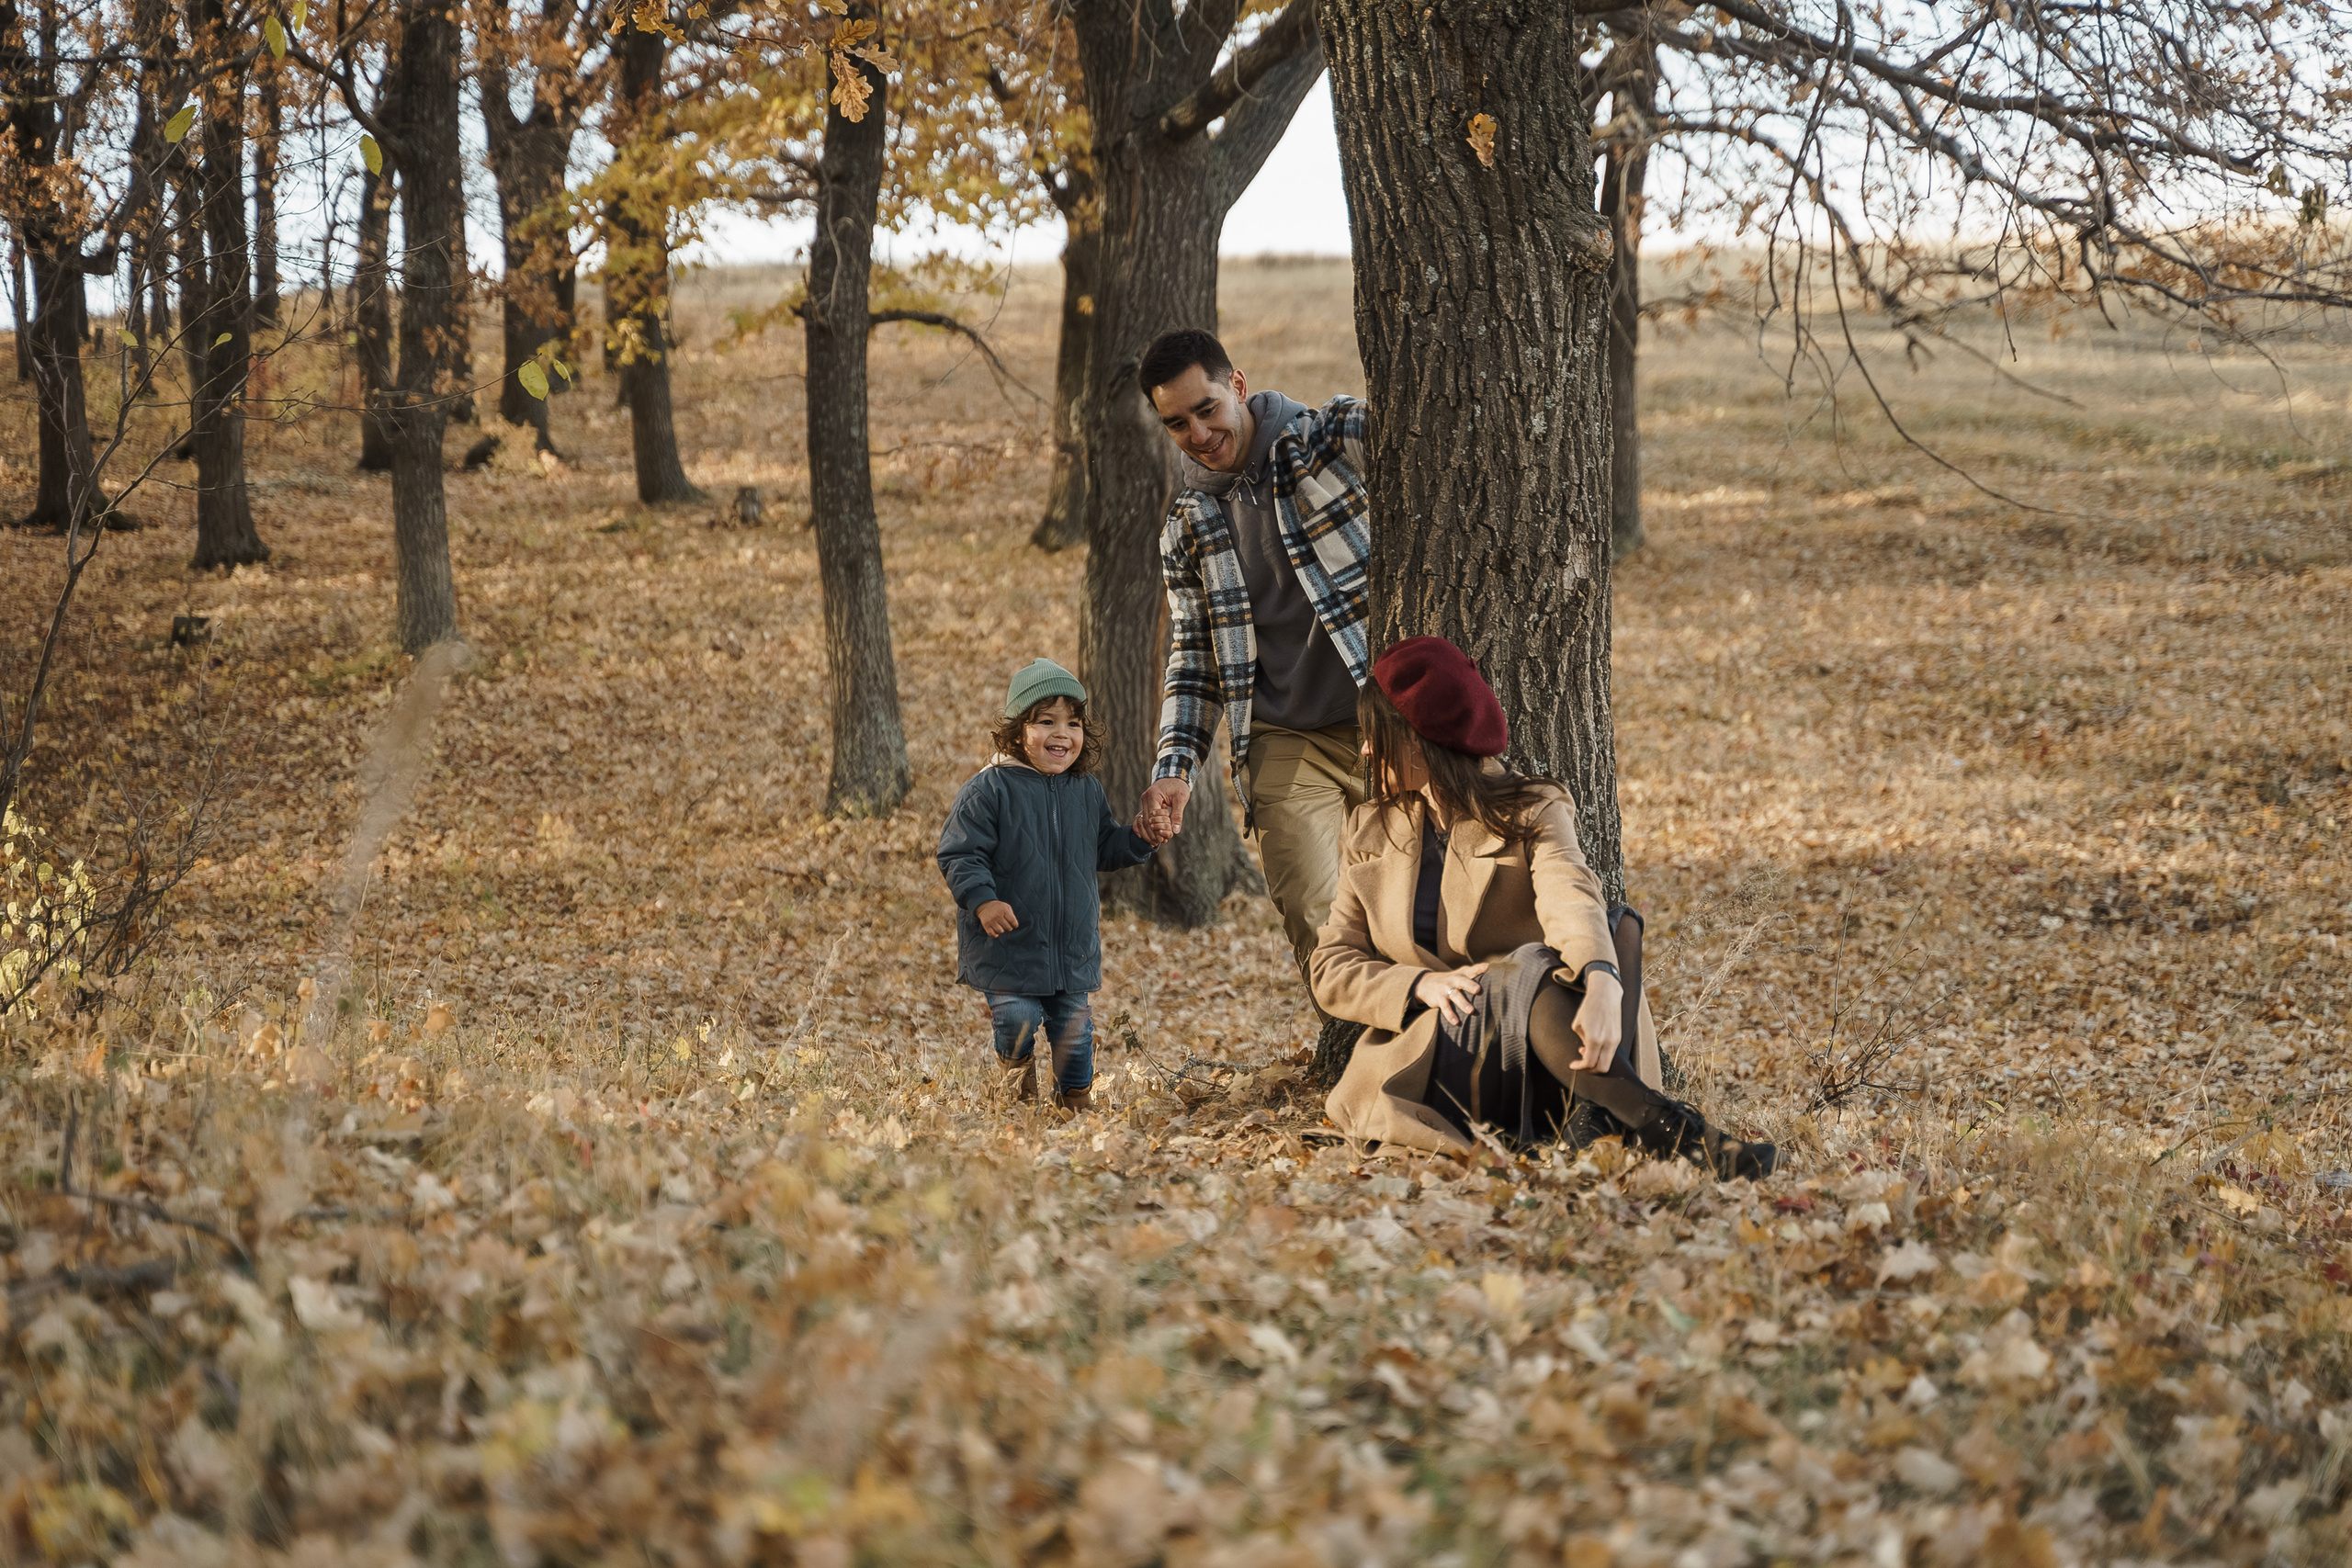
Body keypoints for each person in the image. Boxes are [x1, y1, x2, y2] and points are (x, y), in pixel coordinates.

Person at [1312, 637, 1779, 1179]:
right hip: (1441, 1053)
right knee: (1527, 966)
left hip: (1536, 1049)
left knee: (1613, 929)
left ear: (1417, 740)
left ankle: (1593, 1123)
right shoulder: (1369, 828)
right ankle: (1665, 1128)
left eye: (1375, 736)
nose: (1366, 751)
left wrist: (1603, 980)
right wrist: (1418, 985)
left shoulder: (1531, 807)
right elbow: (1330, 966)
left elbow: (1569, 890)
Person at [1131, 328, 1371, 1021]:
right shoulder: (1188, 522)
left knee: (1423, 909)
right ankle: (1366, 1063)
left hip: (1386, 725)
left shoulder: (1320, 440)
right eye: (1176, 423)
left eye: (1206, 408)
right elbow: (1195, 651)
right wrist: (1176, 764)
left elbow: (1410, 424)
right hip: (1283, 738)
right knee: (1320, 920)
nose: (1198, 433)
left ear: (1238, 385)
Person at [937, 660, 1175, 1112]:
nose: (1061, 733)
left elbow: (1103, 846)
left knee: (1075, 1029)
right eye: (1046, 721)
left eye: (1072, 722)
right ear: (1016, 732)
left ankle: (1075, 1102)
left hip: (1070, 947)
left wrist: (1138, 838)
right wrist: (983, 901)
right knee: (1018, 1018)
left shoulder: (1084, 790)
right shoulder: (989, 790)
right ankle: (1017, 1089)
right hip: (1008, 943)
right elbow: (960, 853)